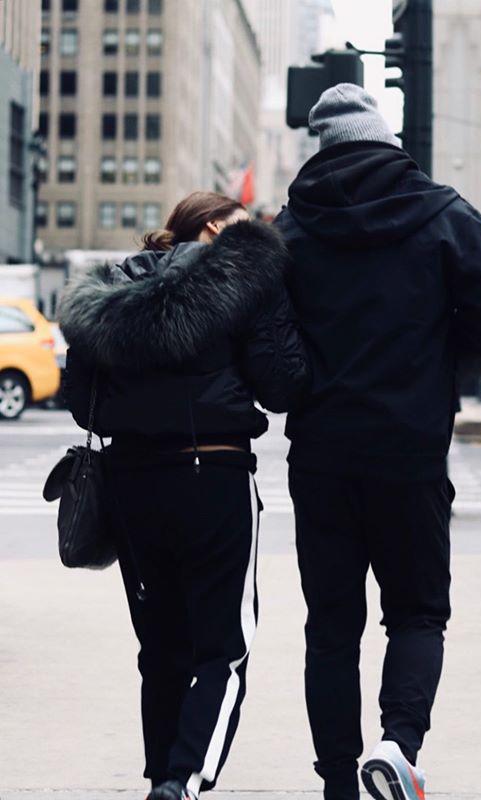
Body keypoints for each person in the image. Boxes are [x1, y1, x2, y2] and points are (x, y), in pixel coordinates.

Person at [276, 84, 481, 800]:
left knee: (331, 628)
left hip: (321, 456)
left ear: (323, 149)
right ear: (386, 140)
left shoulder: (290, 231)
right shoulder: (444, 216)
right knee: (416, 612)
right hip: (410, 451)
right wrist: (434, 357)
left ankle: (337, 784)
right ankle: (397, 745)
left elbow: (270, 346)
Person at [59, 191, 309, 800]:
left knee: (160, 644)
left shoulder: (112, 288)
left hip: (130, 482)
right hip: (213, 474)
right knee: (223, 648)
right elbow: (282, 383)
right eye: (240, 225)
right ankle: (184, 780)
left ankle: (161, 777)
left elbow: (81, 400)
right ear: (215, 228)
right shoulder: (246, 277)